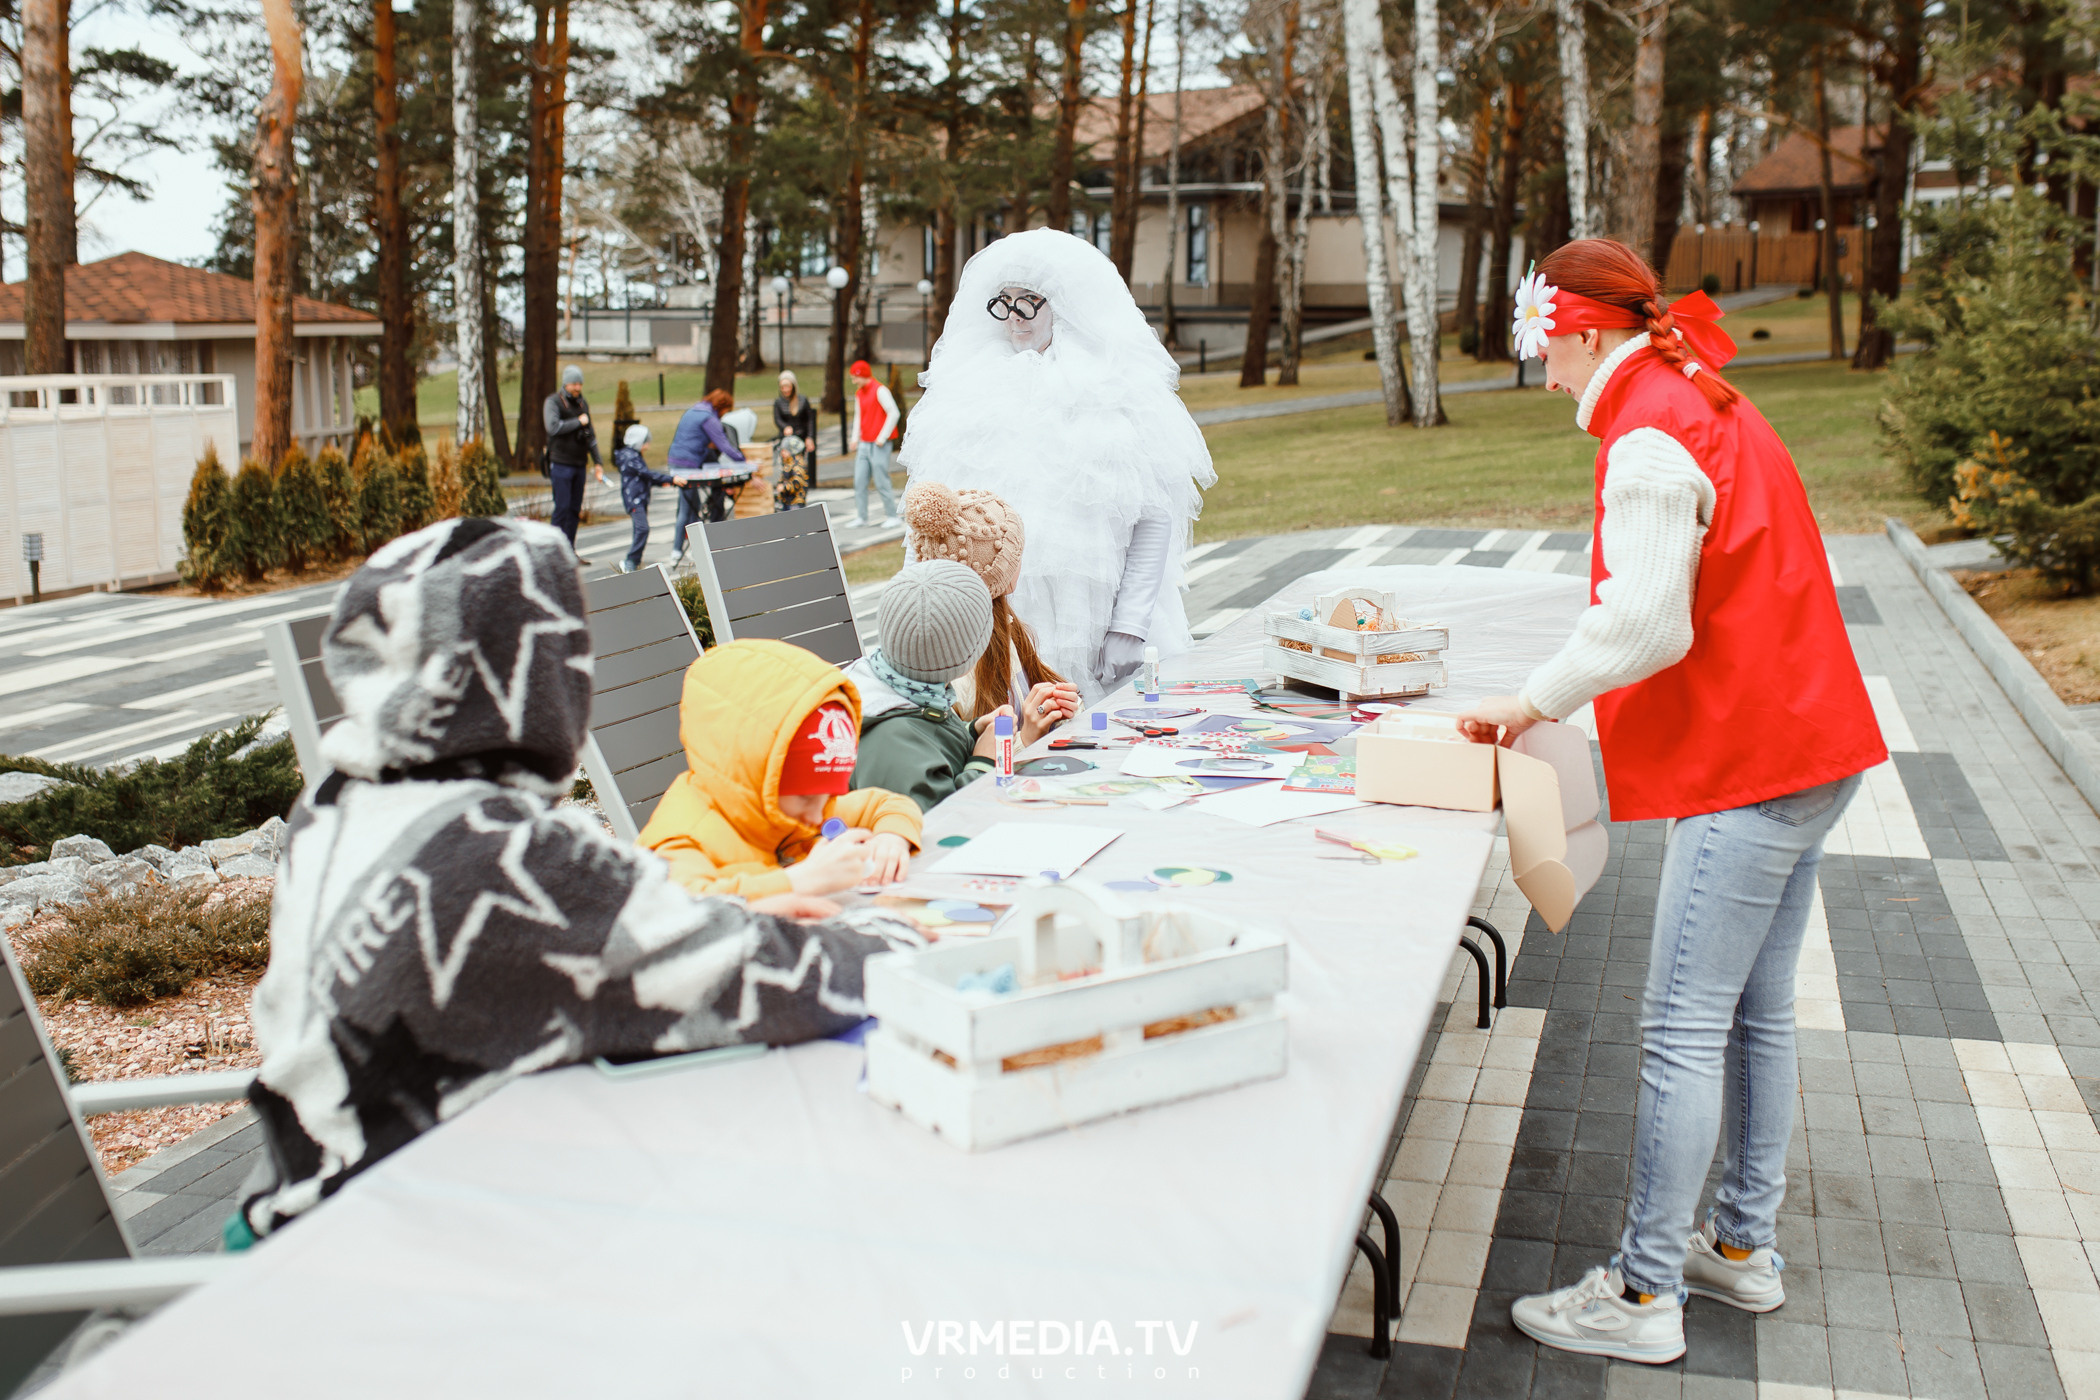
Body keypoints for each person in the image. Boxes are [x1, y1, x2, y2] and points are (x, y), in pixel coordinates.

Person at [233, 516, 921, 1242]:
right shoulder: (505, 854)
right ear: (548, 678)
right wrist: (902, 933)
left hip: (291, 1192)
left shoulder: (333, 808)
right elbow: (758, 973)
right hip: (366, 1239)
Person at [1460, 239, 1886, 1366]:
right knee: (1754, 1009)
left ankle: (1645, 1290)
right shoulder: (1690, 391)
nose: (1542, 371)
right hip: (1807, 742)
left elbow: (1649, 622)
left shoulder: (1650, 433)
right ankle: (1740, 1247)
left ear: (1586, 333)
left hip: (1753, 760)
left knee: (1683, 1025)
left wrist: (1531, 697)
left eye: (1544, 348)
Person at [899, 227, 1215, 701]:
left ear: (1064, 303)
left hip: (1098, 614)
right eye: (1004, 301)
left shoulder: (1116, 388)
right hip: (998, 618)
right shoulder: (967, 391)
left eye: (1029, 300)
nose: (1014, 318)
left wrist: (1129, 625)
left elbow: (1152, 514)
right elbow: (936, 512)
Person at [637, 638, 924, 898]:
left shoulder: (805, 810)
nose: (818, 814)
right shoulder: (684, 838)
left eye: (829, 794)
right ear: (758, 776)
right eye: (807, 797)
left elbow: (889, 804)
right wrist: (798, 881)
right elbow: (685, 914)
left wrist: (891, 838)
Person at [846, 560, 1070, 813]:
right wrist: (984, 762)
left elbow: (926, 737)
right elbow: (940, 823)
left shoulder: (902, 689)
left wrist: (971, 732)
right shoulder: (891, 741)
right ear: (967, 655)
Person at [901, 479, 1078, 728]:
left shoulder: (1006, 628)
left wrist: (1061, 707)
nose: (1019, 562)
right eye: (1014, 555)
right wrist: (1027, 737)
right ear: (999, 576)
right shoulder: (955, 675)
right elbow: (963, 761)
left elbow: (1046, 686)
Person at [667, 388, 749, 564]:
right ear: (722, 406)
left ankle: (690, 547)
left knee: (691, 504)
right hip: (687, 466)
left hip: (674, 459)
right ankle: (677, 551)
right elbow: (724, 445)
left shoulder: (693, 410)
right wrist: (744, 462)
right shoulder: (709, 419)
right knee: (686, 507)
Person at [543, 365, 606, 558]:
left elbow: (590, 434)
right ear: (565, 383)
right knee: (561, 508)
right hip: (561, 463)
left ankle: (569, 551)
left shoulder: (581, 403)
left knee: (574, 510)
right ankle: (551, 552)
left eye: (580, 384)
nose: (578, 388)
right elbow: (552, 427)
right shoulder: (553, 402)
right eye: (574, 384)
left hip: (579, 464)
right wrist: (579, 421)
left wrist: (598, 462)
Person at [613, 424, 691, 574]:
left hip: (640, 498)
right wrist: (671, 478)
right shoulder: (629, 457)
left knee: (640, 530)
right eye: (645, 442)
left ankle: (634, 562)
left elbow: (646, 477)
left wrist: (666, 482)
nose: (647, 446)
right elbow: (646, 474)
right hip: (634, 499)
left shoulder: (634, 456)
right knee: (643, 529)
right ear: (638, 441)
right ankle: (630, 561)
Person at [849, 359, 901, 528]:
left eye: (855, 378)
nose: (853, 381)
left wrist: (882, 437)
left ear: (862, 375)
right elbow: (859, 416)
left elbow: (894, 413)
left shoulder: (880, 390)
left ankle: (893, 516)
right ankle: (862, 517)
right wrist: (854, 438)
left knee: (881, 480)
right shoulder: (859, 393)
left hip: (878, 444)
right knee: (860, 480)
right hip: (864, 443)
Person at [772, 370, 818, 512]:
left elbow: (809, 420)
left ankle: (797, 494)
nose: (785, 390)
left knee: (798, 468)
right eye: (782, 387)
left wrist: (810, 437)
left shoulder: (802, 401)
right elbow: (777, 419)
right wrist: (785, 427)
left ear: (793, 385)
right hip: (786, 440)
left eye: (788, 386)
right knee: (785, 468)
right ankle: (786, 493)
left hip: (799, 441)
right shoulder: (779, 402)